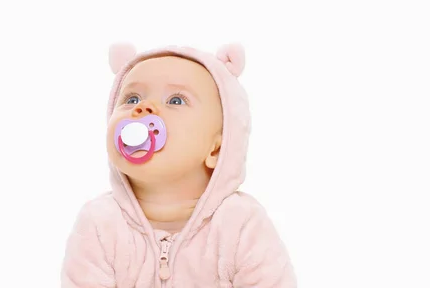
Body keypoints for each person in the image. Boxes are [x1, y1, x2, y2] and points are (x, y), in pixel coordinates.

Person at [61, 42, 296, 287]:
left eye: (175, 100)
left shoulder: (241, 225)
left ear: (217, 148)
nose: (143, 108)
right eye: (131, 98)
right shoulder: (99, 224)